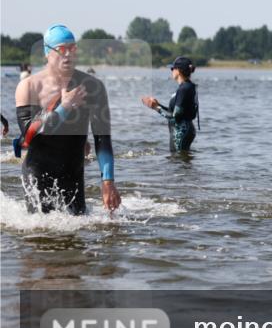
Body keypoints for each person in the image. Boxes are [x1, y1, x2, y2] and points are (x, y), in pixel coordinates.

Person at [13, 25, 121, 214]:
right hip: (38, 172)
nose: (69, 55)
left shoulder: (93, 87)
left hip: (73, 173)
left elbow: (102, 139)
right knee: (40, 234)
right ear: (47, 52)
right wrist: (65, 107)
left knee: (77, 235)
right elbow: (30, 135)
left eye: (73, 49)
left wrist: (108, 181)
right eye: (62, 49)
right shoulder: (29, 87)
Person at [141, 56, 199, 152]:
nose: (171, 71)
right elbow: (177, 112)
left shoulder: (183, 89)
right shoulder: (188, 86)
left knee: (176, 159)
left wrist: (155, 108)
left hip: (180, 132)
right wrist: (158, 104)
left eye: (172, 68)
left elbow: (175, 117)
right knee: (182, 161)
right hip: (186, 129)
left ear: (178, 70)